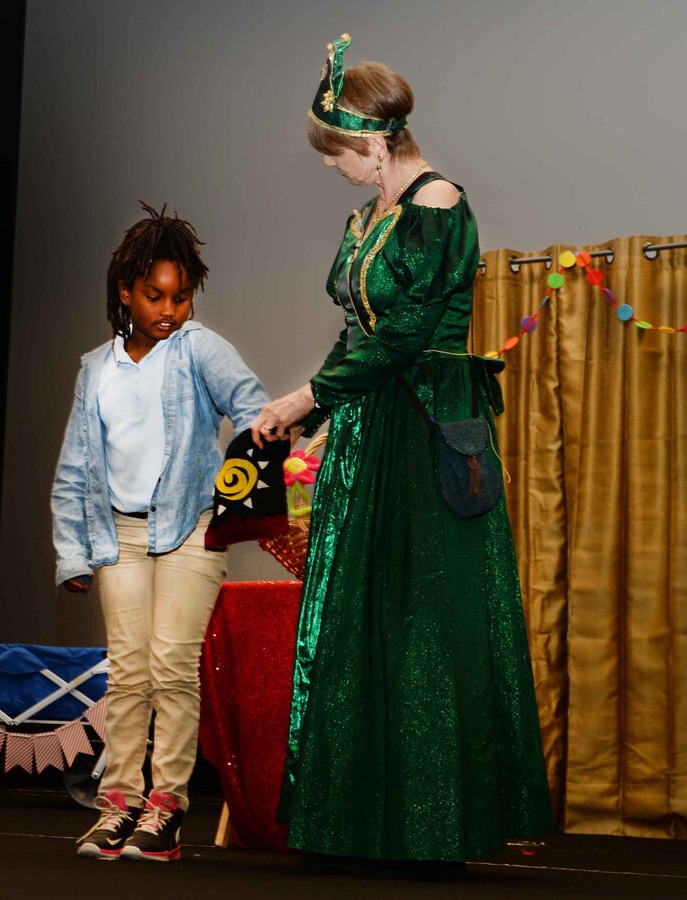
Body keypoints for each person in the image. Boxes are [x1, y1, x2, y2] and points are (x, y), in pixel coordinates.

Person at [250, 34, 554, 872]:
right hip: (368, 430)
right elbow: (360, 335)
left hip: (422, 431)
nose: (331, 167)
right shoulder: (369, 216)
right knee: (362, 621)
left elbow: (408, 333)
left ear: (377, 141)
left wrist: (305, 398)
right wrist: (319, 416)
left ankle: (433, 823)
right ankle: (361, 821)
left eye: (338, 152)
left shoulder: (436, 205)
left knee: (425, 620)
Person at [51, 202, 270, 862]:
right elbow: (75, 466)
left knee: (173, 664)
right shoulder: (97, 368)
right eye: (154, 296)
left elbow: (255, 409)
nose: (169, 310)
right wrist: (72, 552)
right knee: (130, 671)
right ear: (126, 291)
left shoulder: (198, 348)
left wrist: (245, 471)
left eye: (180, 296)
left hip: (189, 530)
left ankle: (166, 806)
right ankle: (118, 802)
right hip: (118, 535)